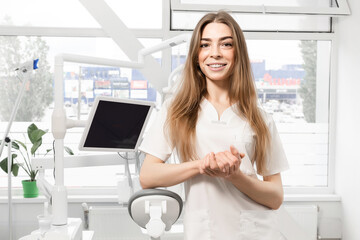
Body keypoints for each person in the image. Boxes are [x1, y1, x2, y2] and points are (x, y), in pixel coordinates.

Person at [138, 11, 289, 240]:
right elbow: (148, 176)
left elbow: (275, 196)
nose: (215, 53)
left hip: (256, 232)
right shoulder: (176, 110)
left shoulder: (260, 118)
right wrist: (201, 166)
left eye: (226, 44)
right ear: (196, 56)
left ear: (237, 53)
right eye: (205, 45)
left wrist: (234, 175)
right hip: (204, 231)